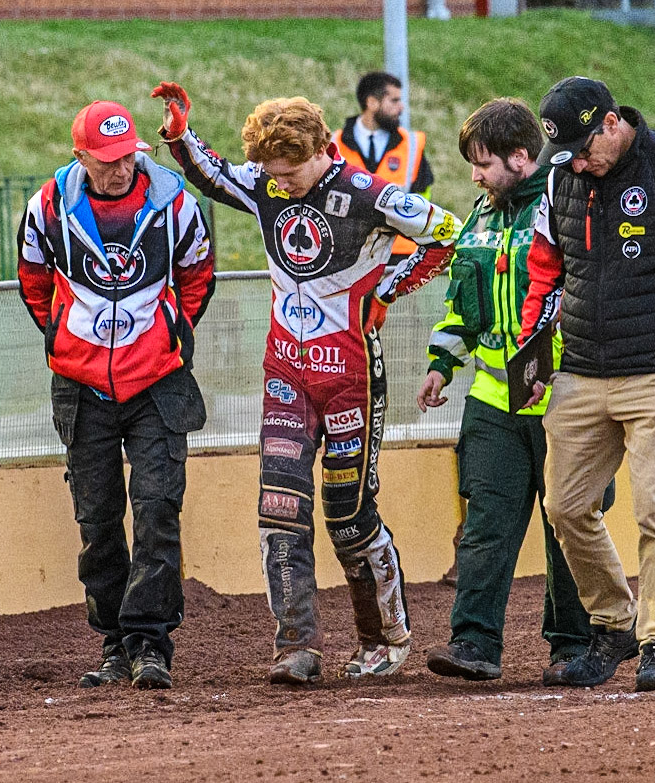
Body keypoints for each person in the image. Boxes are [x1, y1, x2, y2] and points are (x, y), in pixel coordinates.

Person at [152, 81, 459, 684]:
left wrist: (387, 288)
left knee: (348, 516)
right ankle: (296, 645)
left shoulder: (368, 193)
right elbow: (214, 176)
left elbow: (445, 230)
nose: (279, 181)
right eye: (271, 171)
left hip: (350, 380)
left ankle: (384, 638)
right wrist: (181, 136)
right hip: (286, 374)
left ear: (322, 148)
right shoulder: (265, 183)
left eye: (289, 170)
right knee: (280, 509)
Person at [519, 77, 655, 692]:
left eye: (585, 148)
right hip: (581, 371)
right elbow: (545, 271)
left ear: (612, 123)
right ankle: (613, 623)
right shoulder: (563, 177)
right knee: (565, 506)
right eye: (565, 153)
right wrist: (531, 359)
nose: (577, 162)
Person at [17, 99, 216, 690]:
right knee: (98, 518)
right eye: (105, 160)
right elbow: (32, 280)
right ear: (80, 156)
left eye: (127, 156)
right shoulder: (47, 207)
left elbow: (198, 276)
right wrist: (63, 337)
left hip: (158, 380)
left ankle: (150, 643)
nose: (119, 168)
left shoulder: (175, 201)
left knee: (158, 508)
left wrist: (172, 334)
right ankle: (113, 643)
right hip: (80, 387)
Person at [416, 98, 616, 684]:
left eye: (482, 163)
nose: (474, 176)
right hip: (493, 402)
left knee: (571, 525)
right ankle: (473, 644)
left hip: (567, 400)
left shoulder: (571, 206)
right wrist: (440, 364)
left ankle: (573, 649)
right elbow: (461, 305)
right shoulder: (480, 218)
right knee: (485, 526)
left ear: (522, 158)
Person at [331, 71, 434, 263]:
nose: (401, 107)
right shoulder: (333, 145)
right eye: (394, 101)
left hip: (400, 252)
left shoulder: (412, 145)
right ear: (372, 103)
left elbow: (424, 198)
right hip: (347, 253)